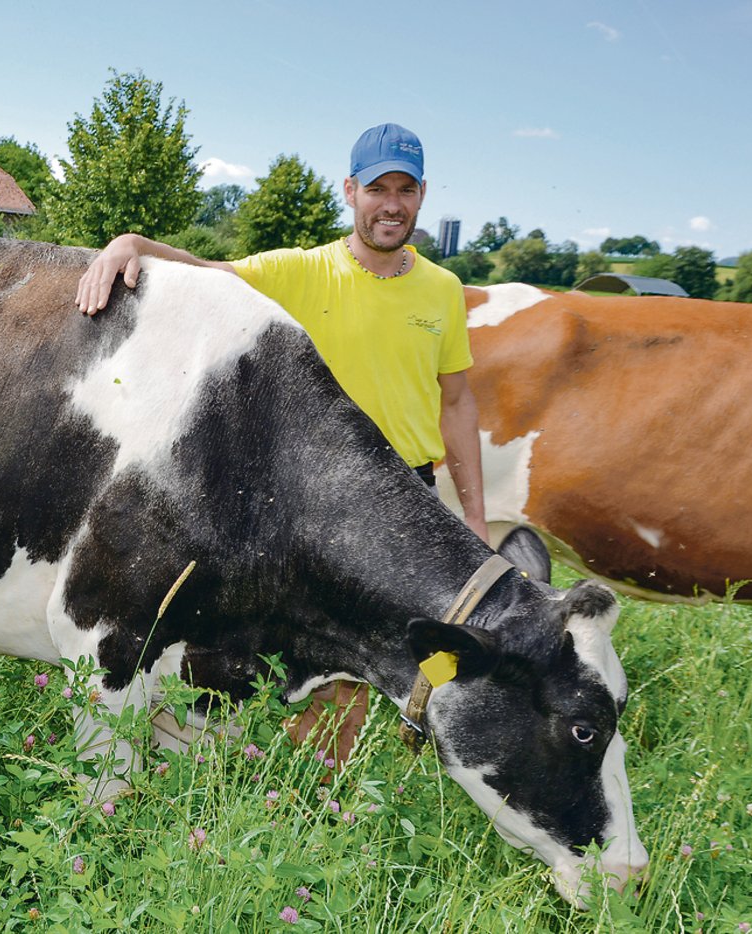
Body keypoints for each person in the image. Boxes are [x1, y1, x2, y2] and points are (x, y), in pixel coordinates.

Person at [75, 122, 487, 769]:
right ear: (351, 191)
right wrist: (131, 244)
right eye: (378, 187)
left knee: (395, 657)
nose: (392, 203)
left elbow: (458, 402)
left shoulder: (442, 290)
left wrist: (477, 516)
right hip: (315, 498)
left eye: (405, 189)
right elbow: (208, 271)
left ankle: (330, 787)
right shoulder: (303, 272)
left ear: (423, 195)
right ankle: (265, 769)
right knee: (305, 649)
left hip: (408, 494)